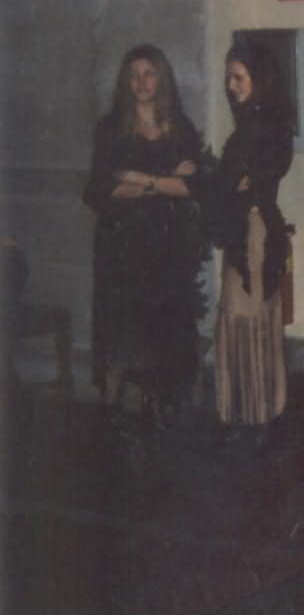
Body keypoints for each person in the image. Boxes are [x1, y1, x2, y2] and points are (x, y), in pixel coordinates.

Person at [82, 44, 205, 431]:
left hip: (167, 245)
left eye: (149, 73)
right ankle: (110, 415)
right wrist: (164, 182)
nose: (141, 82)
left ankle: (158, 411)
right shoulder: (111, 128)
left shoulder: (180, 128)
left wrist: (138, 179)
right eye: (134, 75)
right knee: (119, 332)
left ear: (162, 78)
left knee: (161, 332)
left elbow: (192, 187)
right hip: (121, 246)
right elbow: (99, 191)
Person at [208, 39, 293, 440]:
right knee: (250, 319)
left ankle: (253, 416)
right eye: (229, 77)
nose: (231, 85)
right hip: (252, 230)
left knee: (247, 319)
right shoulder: (260, 125)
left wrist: (222, 182)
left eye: (238, 77)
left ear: (259, 79)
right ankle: (257, 412)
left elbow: (237, 184)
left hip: (253, 234)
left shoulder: (260, 129)